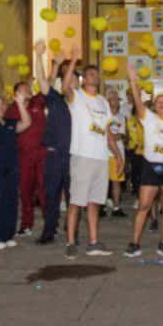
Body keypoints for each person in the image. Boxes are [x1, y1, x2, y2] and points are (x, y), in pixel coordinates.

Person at [122, 63, 163, 257]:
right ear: (154, 105)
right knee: (144, 205)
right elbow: (137, 98)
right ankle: (134, 243)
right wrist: (133, 79)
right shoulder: (148, 117)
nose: (161, 103)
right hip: (150, 167)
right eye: (158, 101)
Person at [63, 46, 123, 259]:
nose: (94, 77)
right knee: (76, 202)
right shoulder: (77, 97)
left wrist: (117, 154)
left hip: (100, 158)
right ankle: (70, 242)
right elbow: (64, 86)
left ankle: (93, 242)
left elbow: (107, 132)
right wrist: (72, 61)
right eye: (90, 74)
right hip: (82, 157)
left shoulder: (103, 102)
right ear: (83, 79)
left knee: (94, 203)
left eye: (96, 74)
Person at [0, 90, 32, 250]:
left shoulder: (10, 122)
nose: (1, 107)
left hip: (11, 170)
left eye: (3, 104)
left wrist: (19, 104)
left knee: (9, 203)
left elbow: (26, 123)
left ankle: (6, 235)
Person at [35, 42, 71, 246]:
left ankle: (71, 229)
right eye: (68, 79)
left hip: (75, 156)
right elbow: (42, 81)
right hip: (55, 155)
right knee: (51, 196)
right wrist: (39, 56)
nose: (70, 82)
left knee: (75, 197)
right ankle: (49, 230)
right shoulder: (56, 99)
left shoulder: (84, 103)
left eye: (73, 80)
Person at [12, 73, 47, 237]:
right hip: (23, 156)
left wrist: (54, 65)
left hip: (41, 154)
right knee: (25, 192)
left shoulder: (38, 102)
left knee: (44, 190)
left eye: (28, 88)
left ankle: (50, 224)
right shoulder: (11, 110)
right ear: (16, 94)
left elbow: (49, 83)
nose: (27, 90)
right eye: (23, 89)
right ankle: (26, 225)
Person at [106, 89, 128, 217]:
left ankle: (116, 207)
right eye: (112, 99)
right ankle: (101, 206)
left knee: (116, 181)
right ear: (107, 102)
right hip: (103, 153)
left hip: (118, 153)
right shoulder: (103, 115)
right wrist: (113, 136)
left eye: (116, 99)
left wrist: (116, 136)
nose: (115, 101)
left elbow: (124, 136)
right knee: (102, 181)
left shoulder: (122, 117)